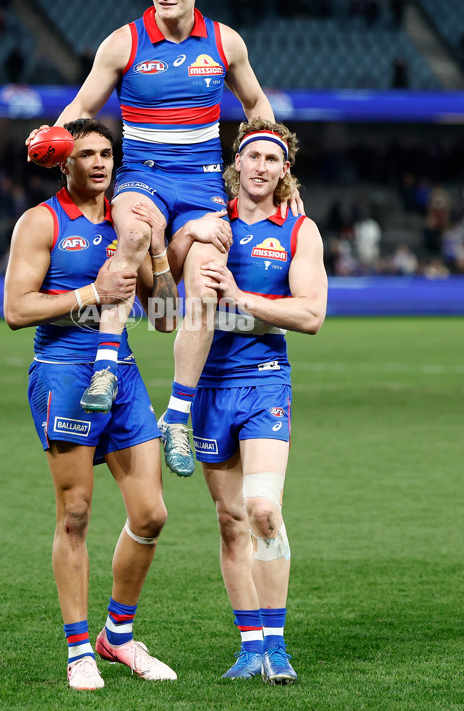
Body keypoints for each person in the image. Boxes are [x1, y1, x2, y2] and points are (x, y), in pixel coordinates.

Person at [26, 0, 302, 479]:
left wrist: (277, 162)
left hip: (202, 185)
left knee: (206, 283)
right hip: (143, 179)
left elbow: (255, 105)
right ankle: (106, 363)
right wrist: (53, 134)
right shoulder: (123, 43)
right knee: (129, 233)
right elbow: (83, 105)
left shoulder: (226, 42)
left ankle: (177, 413)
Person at [4, 119, 180, 691]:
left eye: (107, 153)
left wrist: (157, 251)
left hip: (122, 373)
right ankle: (79, 650)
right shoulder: (41, 222)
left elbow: (166, 319)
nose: (100, 163)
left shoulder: (129, 220)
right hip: (64, 374)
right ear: (65, 163)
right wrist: (90, 294)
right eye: (87, 155)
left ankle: (118, 637)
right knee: (75, 514)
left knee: (151, 514)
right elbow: (16, 308)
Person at [188, 118, 327, 682]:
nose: (262, 167)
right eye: (254, 158)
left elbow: (311, 315)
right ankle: (250, 649)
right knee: (229, 521)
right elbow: (170, 312)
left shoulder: (299, 231)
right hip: (208, 385)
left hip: (266, 378)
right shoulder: (207, 226)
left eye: (274, 159)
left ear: (283, 170)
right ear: (237, 165)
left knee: (263, 510)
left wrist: (241, 299)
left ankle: (278, 647)